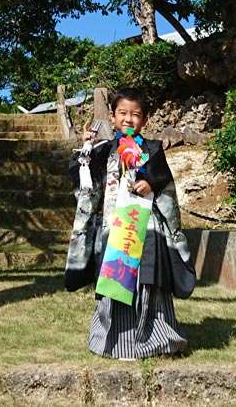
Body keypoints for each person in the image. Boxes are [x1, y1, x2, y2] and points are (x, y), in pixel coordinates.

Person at [65, 87, 196, 360]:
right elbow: (84, 181)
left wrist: (151, 184)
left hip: (147, 229)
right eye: (122, 113)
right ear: (112, 117)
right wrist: (86, 149)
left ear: (145, 119)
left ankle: (156, 338)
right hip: (114, 230)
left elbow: (163, 183)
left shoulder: (153, 149)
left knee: (148, 282)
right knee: (115, 281)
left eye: (135, 115)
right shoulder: (102, 151)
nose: (128, 119)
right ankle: (113, 342)